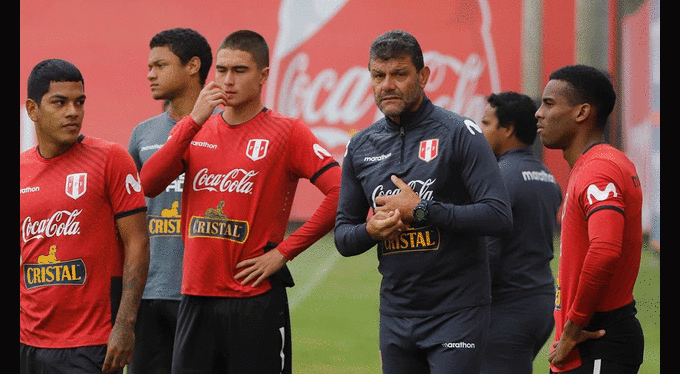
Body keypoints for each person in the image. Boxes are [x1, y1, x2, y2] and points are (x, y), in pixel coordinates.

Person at [139, 29, 341, 374]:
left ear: (263, 75)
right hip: (195, 297)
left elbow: (340, 192)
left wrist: (284, 252)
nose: (227, 80)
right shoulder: (197, 128)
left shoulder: (287, 132)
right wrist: (193, 121)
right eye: (221, 70)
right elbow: (150, 182)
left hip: (254, 300)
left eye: (239, 71)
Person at [334, 30, 512, 374]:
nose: (387, 85)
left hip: (458, 313)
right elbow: (343, 236)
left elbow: (498, 215)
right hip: (396, 315)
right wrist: (371, 230)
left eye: (399, 74)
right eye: (378, 75)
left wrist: (421, 209)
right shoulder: (361, 147)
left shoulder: (460, 132)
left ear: (424, 76)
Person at [20, 58, 149, 374]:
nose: (72, 112)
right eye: (59, 102)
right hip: (27, 341)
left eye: (79, 102)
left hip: (91, 343)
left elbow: (138, 243)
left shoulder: (110, 160)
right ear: (32, 109)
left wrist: (125, 325)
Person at [535, 64, 644, 373]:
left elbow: (605, 250)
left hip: (595, 339)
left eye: (550, 103)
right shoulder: (597, 164)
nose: (538, 113)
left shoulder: (600, 168)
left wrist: (572, 327)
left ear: (581, 112)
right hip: (590, 340)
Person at [127, 27, 212, 374]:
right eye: (149, 66)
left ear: (193, 66)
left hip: (201, 294)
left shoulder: (225, 127)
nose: (150, 74)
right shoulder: (142, 134)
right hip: (148, 292)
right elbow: (128, 215)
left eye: (160, 65)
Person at [478, 91, 562, 374]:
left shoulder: (498, 178)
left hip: (509, 309)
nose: (480, 131)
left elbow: (488, 252)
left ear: (508, 129)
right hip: (541, 302)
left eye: (486, 123)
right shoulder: (547, 177)